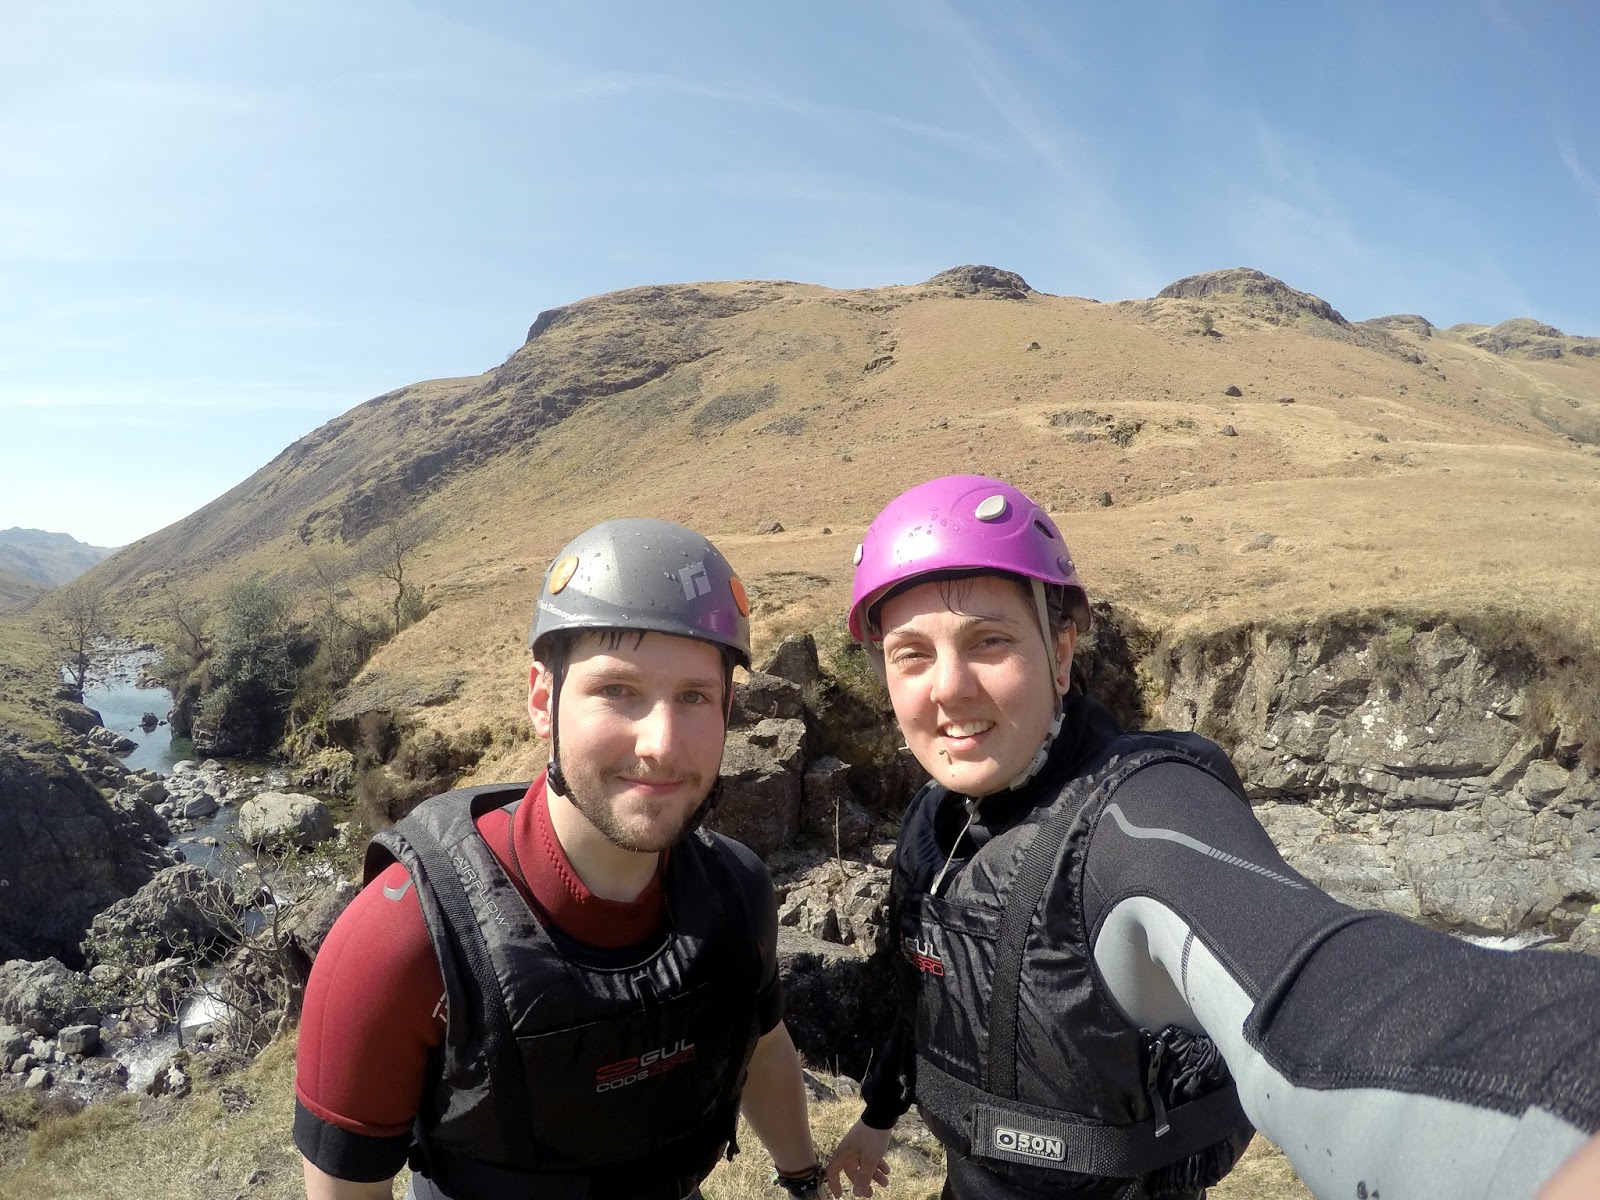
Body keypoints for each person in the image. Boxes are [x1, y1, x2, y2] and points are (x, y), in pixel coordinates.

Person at [824, 475, 1600, 1200]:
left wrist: (1557, 1102)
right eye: (911, 655)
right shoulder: (934, 823)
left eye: (990, 641)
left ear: (1060, 652)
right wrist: (879, 1113)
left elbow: (1333, 995)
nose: (948, 687)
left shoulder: (1141, 814)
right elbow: (922, 994)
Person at [295, 518, 822, 1200]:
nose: (661, 744)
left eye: (694, 696)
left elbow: (762, 1047)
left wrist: (803, 1178)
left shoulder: (736, 892)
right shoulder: (398, 944)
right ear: (544, 701)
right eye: (618, 690)